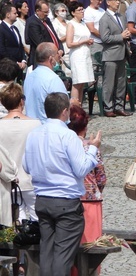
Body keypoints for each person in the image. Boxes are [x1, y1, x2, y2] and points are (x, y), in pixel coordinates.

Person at [23, 91, 101, 276]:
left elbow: (26, 166)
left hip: (42, 200)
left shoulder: (34, 134)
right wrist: (93, 149)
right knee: (62, 256)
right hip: (65, 202)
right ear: (65, 111)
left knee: (47, 252)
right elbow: (81, 169)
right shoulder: (67, 136)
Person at [67, 104, 106, 275]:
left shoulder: (65, 144)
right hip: (91, 199)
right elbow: (101, 177)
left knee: (72, 245)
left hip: (69, 198)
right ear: (85, 126)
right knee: (91, 245)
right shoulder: (91, 147)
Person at [0, 82, 40, 222]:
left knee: (16, 222)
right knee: (38, 222)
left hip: (8, 181)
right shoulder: (36, 125)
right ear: (21, 101)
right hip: (31, 180)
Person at [100, 0, 132, 116]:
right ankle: (108, 108)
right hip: (110, 55)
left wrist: (127, 37)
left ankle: (119, 106)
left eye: (119, 0)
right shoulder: (104, 18)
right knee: (109, 83)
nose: (118, 2)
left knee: (121, 83)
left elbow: (124, 32)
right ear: (108, 2)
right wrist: (121, 36)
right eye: (115, 0)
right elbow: (105, 38)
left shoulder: (121, 16)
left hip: (122, 53)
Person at [23, 43, 68, 122]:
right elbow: (62, 109)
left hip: (31, 126)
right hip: (48, 127)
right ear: (51, 59)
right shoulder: (53, 79)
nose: (59, 56)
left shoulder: (29, 78)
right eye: (57, 53)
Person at [65, 1, 95, 105]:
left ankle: (80, 106)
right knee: (77, 82)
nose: (82, 11)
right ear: (73, 12)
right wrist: (84, 41)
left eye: (83, 9)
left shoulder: (83, 23)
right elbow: (69, 43)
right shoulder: (71, 24)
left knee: (82, 83)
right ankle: (74, 108)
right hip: (77, 55)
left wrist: (89, 41)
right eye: (79, 10)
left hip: (85, 53)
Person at [25, 0, 62, 67]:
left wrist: (60, 49)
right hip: (42, 60)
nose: (47, 14)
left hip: (53, 57)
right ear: (37, 11)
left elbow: (55, 37)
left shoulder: (47, 20)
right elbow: (40, 43)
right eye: (45, 12)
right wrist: (54, 52)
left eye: (48, 12)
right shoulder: (32, 22)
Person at [0, 3, 26, 69]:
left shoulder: (15, 29)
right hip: (7, 67)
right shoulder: (1, 29)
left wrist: (23, 60)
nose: (17, 15)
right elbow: (2, 50)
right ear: (8, 15)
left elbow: (20, 46)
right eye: (15, 13)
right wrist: (15, 62)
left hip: (20, 66)